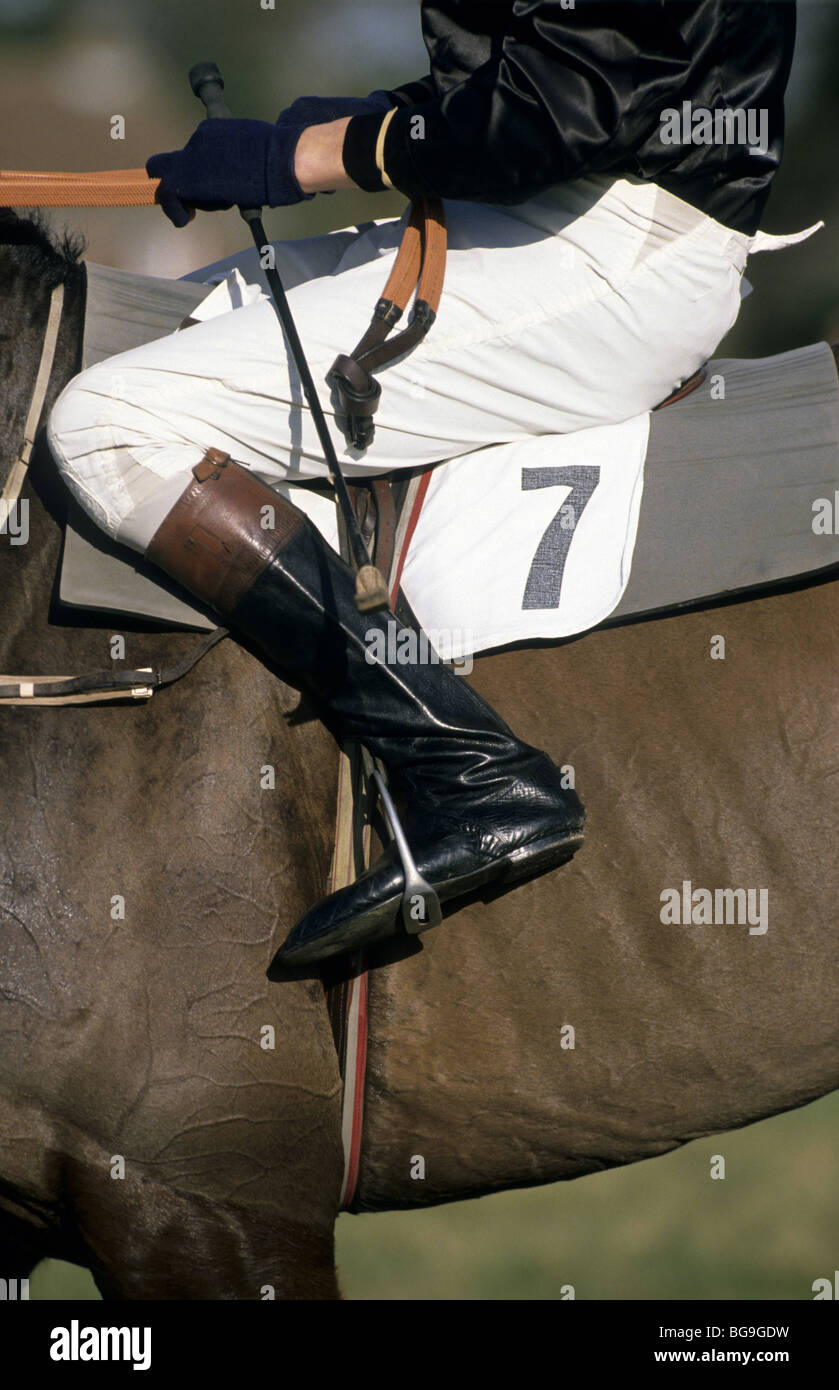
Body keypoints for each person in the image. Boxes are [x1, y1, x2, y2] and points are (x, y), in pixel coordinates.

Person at [47, 1, 799, 968]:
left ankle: (471, 768)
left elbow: (564, 108)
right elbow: (526, 79)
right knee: (142, 337)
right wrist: (308, 130)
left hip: (618, 246)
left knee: (111, 425)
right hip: (537, 209)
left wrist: (311, 159)